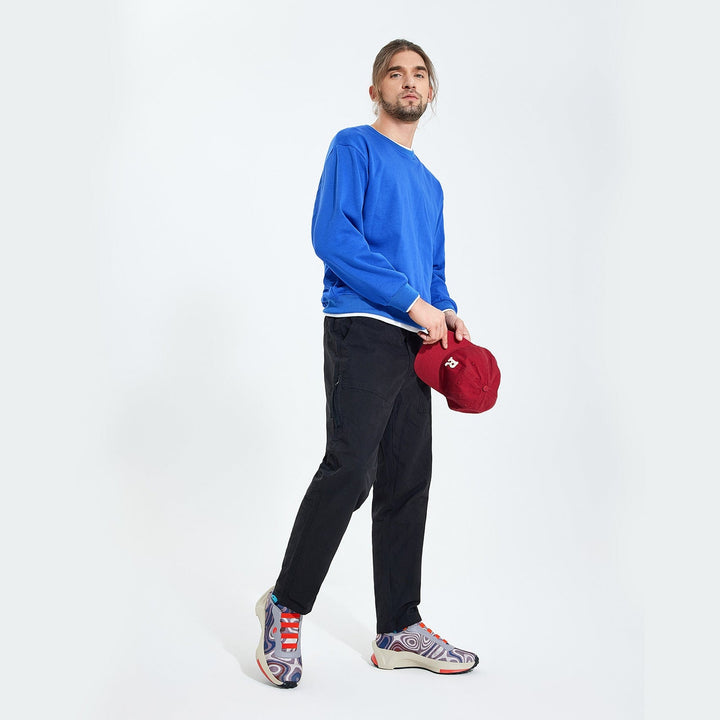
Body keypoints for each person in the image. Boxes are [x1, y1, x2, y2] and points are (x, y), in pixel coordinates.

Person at [255, 38, 478, 689]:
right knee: (350, 470)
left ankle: (398, 628)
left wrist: (446, 311)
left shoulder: (430, 185)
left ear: (430, 91)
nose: (408, 82)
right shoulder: (354, 146)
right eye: (395, 73)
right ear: (375, 88)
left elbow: (432, 269)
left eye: (419, 74)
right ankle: (284, 606)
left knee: (407, 479)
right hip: (363, 328)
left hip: (418, 342)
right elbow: (333, 236)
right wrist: (415, 302)